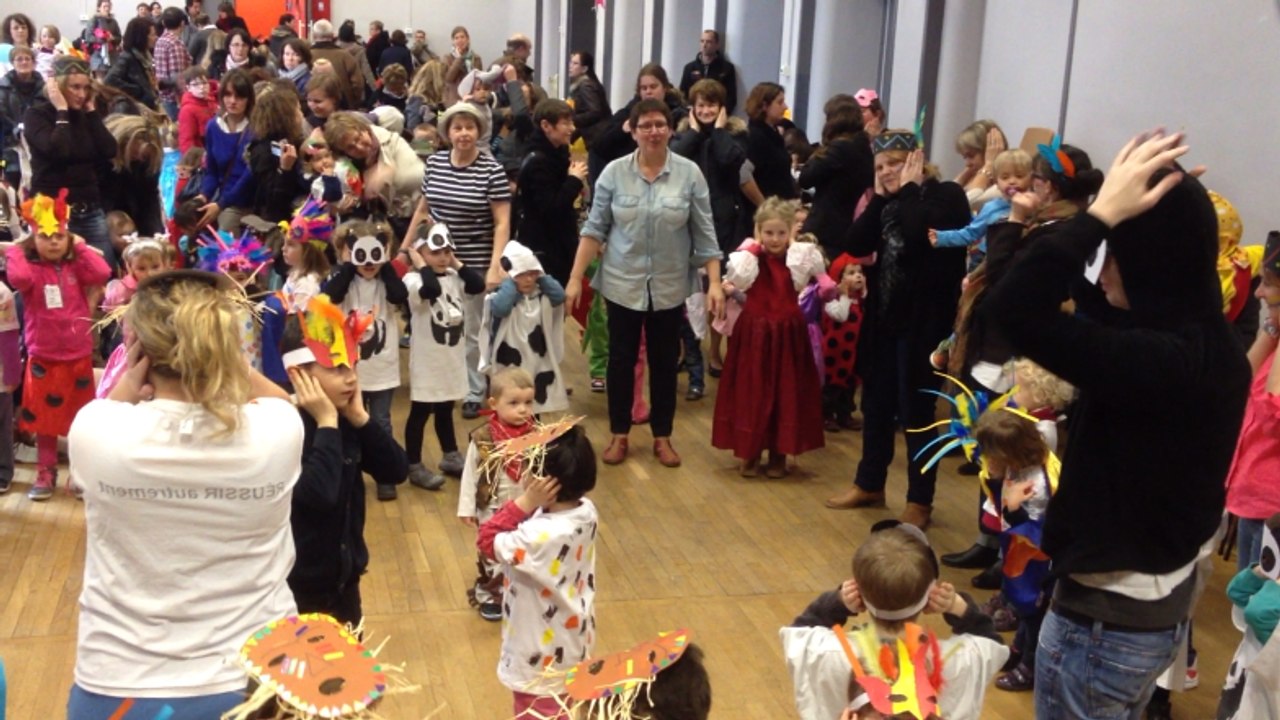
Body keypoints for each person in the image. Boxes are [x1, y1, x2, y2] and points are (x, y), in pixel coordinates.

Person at [983, 130, 1251, 719]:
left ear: (1152, 263)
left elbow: (1015, 309)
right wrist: (1118, 213)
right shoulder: (1203, 342)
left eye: (1116, 258)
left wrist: (1101, 216)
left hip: (1102, 630)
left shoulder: (1160, 363)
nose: (1101, 275)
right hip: (1137, 620)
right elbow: (1079, 297)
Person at [66, 270, 301, 719]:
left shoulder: (95, 433)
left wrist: (130, 380)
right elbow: (275, 398)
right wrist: (230, 361)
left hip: (119, 684)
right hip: (258, 682)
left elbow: (112, 405)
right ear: (226, 346)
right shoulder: (278, 430)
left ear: (140, 352)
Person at [566, 98, 725, 469]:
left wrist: (715, 282)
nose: (653, 131)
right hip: (622, 282)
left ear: (671, 129)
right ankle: (619, 434)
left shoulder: (689, 175)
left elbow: (705, 234)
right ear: (632, 130)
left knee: (664, 361)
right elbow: (594, 229)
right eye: (646, 125)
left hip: (669, 285)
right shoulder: (613, 174)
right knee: (620, 360)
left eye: (660, 125)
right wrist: (575, 279)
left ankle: (662, 436)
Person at [822, 131, 970, 529]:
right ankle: (869, 483)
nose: (886, 171)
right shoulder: (890, 203)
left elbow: (922, 235)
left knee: (918, 413)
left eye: (894, 163)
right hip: (884, 323)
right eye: (880, 167)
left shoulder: (947, 196)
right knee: (876, 406)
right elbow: (855, 241)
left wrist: (905, 190)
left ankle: (920, 502)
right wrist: (881, 196)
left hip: (925, 327)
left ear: (916, 162)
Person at [779, 524, 1008, 720]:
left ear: (858, 591)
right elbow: (989, 642)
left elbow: (801, 631)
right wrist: (957, 606)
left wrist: (837, 603)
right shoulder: (957, 660)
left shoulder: (827, 652)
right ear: (930, 595)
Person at [281, 293, 408, 624]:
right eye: (336, 367)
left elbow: (395, 470)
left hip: (345, 583)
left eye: (352, 364)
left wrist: (360, 419)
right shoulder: (283, 427)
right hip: (297, 591)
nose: (350, 377)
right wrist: (325, 423)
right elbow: (319, 496)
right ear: (298, 374)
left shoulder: (346, 417)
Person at [477, 425, 598, 720]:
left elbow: (487, 540)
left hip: (538, 656)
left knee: (539, 712)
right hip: (572, 641)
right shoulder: (585, 511)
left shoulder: (536, 538)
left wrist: (525, 502)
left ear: (545, 483)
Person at [403, 102, 510, 419]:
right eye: (457, 127)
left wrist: (495, 266)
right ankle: (446, 384)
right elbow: (423, 210)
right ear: (447, 132)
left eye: (470, 127)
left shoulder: (492, 170)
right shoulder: (435, 162)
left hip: (473, 260)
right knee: (440, 322)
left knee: (473, 328)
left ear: (479, 132)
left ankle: (474, 390)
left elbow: (502, 222)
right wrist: (406, 248)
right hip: (435, 259)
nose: (464, 133)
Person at [9, 193, 113, 500]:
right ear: (33, 238)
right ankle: (46, 470)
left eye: (60, 236)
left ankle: (80, 474)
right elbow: (18, 278)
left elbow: (102, 272)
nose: (53, 242)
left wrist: (80, 245)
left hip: (78, 354)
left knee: (80, 418)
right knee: (44, 419)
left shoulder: (75, 266)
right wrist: (17, 250)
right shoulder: (31, 269)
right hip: (43, 356)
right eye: (45, 237)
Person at [713, 198, 828, 477]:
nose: (774, 239)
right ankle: (750, 451)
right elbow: (737, 278)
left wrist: (827, 285)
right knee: (752, 390)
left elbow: (819, 279)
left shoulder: (801, 257)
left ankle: (779, 453)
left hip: (788, 333)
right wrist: (752, 248)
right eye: (768, 232)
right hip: (754, 332)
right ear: (758, 231)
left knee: (784, 391)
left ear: (791, 231)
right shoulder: (748, 258)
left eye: (780, 232)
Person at [972, 408, 1056, 695]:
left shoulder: (1036, 485)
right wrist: (997, 482)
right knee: (1021, 605)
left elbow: (1037, 534)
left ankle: (1031, 665)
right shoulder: (1015, 469)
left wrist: (1015, 508)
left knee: (1034, 613)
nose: (987, 459)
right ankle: (1019, 651)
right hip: (1017, 555)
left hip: (1036, 561)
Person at [402, 224, 486, 491]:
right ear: (420, 253)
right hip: (428, 362)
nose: (442, 256)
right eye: (435, 251)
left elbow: (478, 284)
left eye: (447, 250)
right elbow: (431, 291)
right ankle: (413, 463)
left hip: (451, 360)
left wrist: (456, 262)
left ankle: (450, 455)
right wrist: (418, 263)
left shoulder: (453, 275)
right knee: (420, 412)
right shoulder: (413, 280)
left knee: (445, 409)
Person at [324, 219, 407, 483]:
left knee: (381, 420)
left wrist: (387, 267)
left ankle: (384, 474)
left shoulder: (386, 282)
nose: (369, 263)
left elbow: (398, 295)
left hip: (383, 365)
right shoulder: (342, 280)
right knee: (348, 420)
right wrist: (349, 266)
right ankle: (350, 470)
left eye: (375, 254)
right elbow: (331, 296)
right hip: (350, 367)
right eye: (361, 254)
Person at [457, 367, 538, 621]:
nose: (523, 410)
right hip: (491, 506)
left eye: (528, 402)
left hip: (529, 506)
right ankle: (491, 594)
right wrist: (467, 507)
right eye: (513, 403)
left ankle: (523, 593)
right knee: (492, 553)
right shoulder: (482, 438)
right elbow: (470, 473)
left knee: (526, 550)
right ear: (493, 403)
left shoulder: (539, 435)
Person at [24, 56, 120, 268]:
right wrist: (61, 110)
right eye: (75, 87)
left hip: (90, 207)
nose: (81, 94)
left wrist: (92, 111)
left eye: (86, 88)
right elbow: (58, 150)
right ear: (57, 87)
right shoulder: (36, 115)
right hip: (51, 210)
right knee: (59, 274)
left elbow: (109, 149)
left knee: (104, 270)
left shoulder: (85, 115)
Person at [482, 241, 568, 414]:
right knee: (510, 403)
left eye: (532, 273)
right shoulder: (500, 296)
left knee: (533, 403)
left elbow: (559, 296)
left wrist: (541, 276)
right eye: (522, 274)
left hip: (536, 357)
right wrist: (509, 280)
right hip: (510, 359)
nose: (528, 279)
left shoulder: (540, 295)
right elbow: (501, 308)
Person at [515, 98, 588, 284]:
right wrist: (574, 180)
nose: (572, 128)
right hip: (545, 250)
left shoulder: (558, 153)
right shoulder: (539, 162)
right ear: (546, 125)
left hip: (558, 244)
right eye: (565, 123)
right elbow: (551, 208)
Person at [930, 148, 1032, 274]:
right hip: (986, 260)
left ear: (1031, 179)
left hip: (1019, 259)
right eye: (1005, 177)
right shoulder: (991, 208)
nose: (1012, 181)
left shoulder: (1034, 206)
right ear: (996, 182)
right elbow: (971, 233)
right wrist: (942, 238)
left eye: (1019, 176)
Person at [588, 63, 686, 187]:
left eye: (653, 87)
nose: (648, 92)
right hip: (630, 177)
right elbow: (598, 146)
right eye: (644, 88)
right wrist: (622, 130)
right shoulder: (628, 112)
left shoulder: (678, 113)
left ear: (664, 88)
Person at [798, 100, 874, 258]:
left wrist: (821, 150)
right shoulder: (864, 148)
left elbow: (805, 179)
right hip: (847, 225)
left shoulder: (839, 148)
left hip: (826, 228)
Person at [324, 110, 424, 229]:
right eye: (350, 148)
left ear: (365, 129)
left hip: (426, 206)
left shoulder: (391, 140)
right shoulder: (347, 168)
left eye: (358, 138)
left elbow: (416, 170)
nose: (359, 147)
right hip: (396, 221)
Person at [195, 68, 254, 233]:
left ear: (249, 99)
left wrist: (221, 205)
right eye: (228, 95)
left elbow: (248, 178)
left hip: (246, 201)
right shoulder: (213, 126)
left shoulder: (255, 129)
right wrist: (203, 196)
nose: (233, 101)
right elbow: (211, 171)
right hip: (221, 198)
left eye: (239, 96)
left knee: (226, 231)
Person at [820, 254, 867, 432]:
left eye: (860, 272)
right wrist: (845, 295)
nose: (858, 276)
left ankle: (845, 414)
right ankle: (826, 414)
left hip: (852, 351)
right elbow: (841, 315)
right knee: (832, 385)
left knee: (850, 384)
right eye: (851, 273)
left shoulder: (861, 299)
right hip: (835, 351)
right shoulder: (832, 299)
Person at [100, 114, 165, 235]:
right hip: (102, 217)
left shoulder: (147, 163)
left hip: (132, 217)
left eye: (144, 156)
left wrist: (155, 233)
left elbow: (149, 200)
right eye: (134, 153)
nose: (139, 159)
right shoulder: (99, 157)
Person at [744, 82, 798, 203]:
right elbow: (743, 175)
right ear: (764, 106)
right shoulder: (755, 136)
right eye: (780, 102)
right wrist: (763, 205)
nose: (785, 107)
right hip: (766, 214)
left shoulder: (773, 133)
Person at [0, 47, 44, 189]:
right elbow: (2, 113)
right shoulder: (3, 87)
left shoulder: (44, 88)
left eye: (27, 59)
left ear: (34, 62)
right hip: (10, 143)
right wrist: (15, 130)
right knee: (13, 175)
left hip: (38, 140)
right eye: (19, 59)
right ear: (12, 63)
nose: (24, 62)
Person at [678, 29, 737, 114]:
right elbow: (683, 94)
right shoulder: (689, 68)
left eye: (709, 42)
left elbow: (731, 97)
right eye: (702, 41)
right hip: (694, 113)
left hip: (717, 114)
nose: (704, 45)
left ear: (717, 45)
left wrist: (721, 113)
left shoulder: (727, 68)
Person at [105, 16, 158, 110]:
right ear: (142, 37)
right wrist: (138, 90)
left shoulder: (144, 56)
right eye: (152, 35)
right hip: (137, 109)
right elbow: (109, 80)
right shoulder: (128, 57)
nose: (155, 38)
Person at [309, 20, 363, 110]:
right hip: (342, 108)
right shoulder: (346, 56)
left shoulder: (306, 56)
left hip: (312, 108)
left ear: (314, 36)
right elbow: (358, 84)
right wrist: (353, 103)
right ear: (333, 36)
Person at [567, 50, 609, 155]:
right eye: (571, 62)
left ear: (585, 68)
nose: (570, 66)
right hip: (596, 137)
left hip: (597, 137)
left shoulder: (586, 85)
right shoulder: (584, 84)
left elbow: (594, 111)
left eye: (575, 63)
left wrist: (571, 120)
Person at [153, 7, 191, 120]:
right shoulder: (175, 43)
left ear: (164, 23)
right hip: (175, 100)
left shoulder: (160, 41)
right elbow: (177, 77)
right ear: (182, 23)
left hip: (163, 96)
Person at [176, 65, 215, 153]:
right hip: (202, 155)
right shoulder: (187, 110)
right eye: (195, 84)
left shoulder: (211, 102)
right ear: (188, 88)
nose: (201, 87)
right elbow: (186, 141)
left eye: (204, 83)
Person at [443, 26, 482, 106]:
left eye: (462, 37)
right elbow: (449, 78)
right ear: (453, 41)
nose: (460, 40)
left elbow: (479, 79)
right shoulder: (447, 57)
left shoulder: (476, 58)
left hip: (471, 97)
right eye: (456, 38)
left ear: (468, 39)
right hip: (453, 97)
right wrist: (459, 59)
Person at [82, 1, 123, 77]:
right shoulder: (94, 20)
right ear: (99, 8)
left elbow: (119, 37)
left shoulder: (114, 22)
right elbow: (88, 37)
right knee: (100, 80)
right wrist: (102, 39)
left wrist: (112, 38)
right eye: (104, 6)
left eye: (108, 6)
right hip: (98, 54)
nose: (107, 9)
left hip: (112, 55)